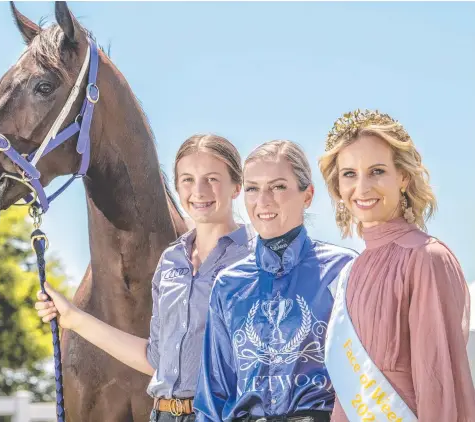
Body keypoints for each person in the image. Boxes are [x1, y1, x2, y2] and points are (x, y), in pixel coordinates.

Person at [35, 134, 256, 422]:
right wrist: (72, 317)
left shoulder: (254, 257)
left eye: (212, 179)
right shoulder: (171, 261)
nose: (198, 191)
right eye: (187, 179)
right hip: (163, 414)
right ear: (176, 187)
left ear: (236, 186)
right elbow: (156, 358)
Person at [319, 109, 475, 422]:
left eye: (377, 171)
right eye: (349, 174)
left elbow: (439, 382)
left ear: (403, 177)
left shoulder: (427, 258)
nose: (362, 188)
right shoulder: (353, 268)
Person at [194, 140, 357, 422]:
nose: (263, 200)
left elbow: (362, 376)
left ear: (307, 195)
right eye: (253, 188)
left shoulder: (342, 270)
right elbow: (213, 393)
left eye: (278, 186)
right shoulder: (228, 284)